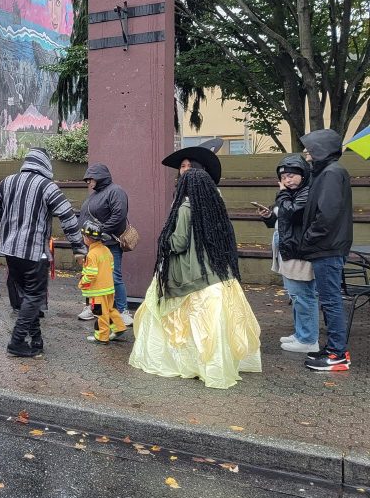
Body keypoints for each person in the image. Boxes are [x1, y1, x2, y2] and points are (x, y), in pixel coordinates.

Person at [129, 163, 262, 389]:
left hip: (188, 275)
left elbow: (179, 243)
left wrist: (165, 241)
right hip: (218, 273)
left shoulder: (185, 208)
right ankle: (213, 367)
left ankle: (187, 364)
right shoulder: (214, 205)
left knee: (179, 322)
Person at [0, 148, 87, 358]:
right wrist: (78, 246)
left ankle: (37, 342)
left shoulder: (7, 182)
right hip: (34, 253)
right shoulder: (47, 186)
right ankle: (16, 341)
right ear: (45, 165)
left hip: (10, 251)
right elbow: (67, 215)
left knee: (27, 296)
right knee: (35, 296)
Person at [299, 130, 354, 372]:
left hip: (327, 248)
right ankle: (333, 348)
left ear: (322, 148)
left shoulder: (332, 173)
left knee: (331, 301)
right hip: (327, 247)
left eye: (310, 147)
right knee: (329, 300)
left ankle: (337, 354)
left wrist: (309, 238)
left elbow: (326, 215)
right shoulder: (327, 172)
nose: (305, 151)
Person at [255, 155, 318, 354]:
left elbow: (293, 213)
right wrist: (269, 216)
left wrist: (282, 195)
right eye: (284, 178)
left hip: (300, 252)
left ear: (303, 175)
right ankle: (301, 334)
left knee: (303, 295)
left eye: (291, 176)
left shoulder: (306, 192)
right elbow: (282, 217)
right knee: (295, 294)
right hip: (288, 249)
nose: (287, 180)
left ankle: (308, 339)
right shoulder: (291, 193)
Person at [77, 163, 132, 326]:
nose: (88, 183)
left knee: (114, 277)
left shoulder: (115, 191)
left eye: (90, 179)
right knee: (93, 276)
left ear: (99, 176)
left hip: (109, 243)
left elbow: (119, 215)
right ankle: (93, 308)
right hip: (94, 244)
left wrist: (99, 231)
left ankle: (123, 311)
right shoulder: (95, 195)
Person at [79, 220, 128, 344]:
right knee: (110, 309)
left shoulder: (91, 254)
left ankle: (102, 336)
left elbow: (91, 274)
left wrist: (82, 283)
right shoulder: (106, 250)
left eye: (84, 236)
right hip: (109, 288)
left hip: (97, 291)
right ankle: (119, 327)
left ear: (88, 239)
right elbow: (111, 267)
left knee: (100, 313)